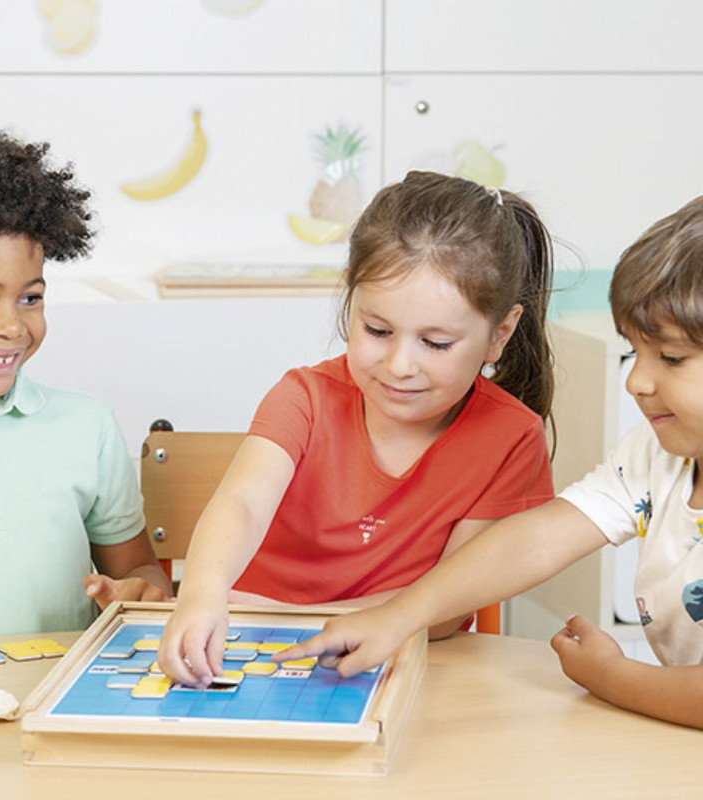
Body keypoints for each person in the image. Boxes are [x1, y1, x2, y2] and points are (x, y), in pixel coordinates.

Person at [279, 195, 703, 730]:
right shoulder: (654, 457)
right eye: (635, 352)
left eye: (670, 359)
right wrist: (399, 616)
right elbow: (537, 538)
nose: (636, 381)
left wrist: (612, 676)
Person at [158, 171, 557, 687]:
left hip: (396, 660)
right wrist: (202, 593)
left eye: (435, 343)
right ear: (351, 303)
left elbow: (446, 603)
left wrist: (304, 618)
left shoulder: (511, 439)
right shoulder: (302, 397)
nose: (398, 365)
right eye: (377, 330)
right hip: (244, 643)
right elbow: (243, 502)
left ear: (499, 335)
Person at [0, 107, 172, 639]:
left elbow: (137, 573)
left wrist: (140, 594)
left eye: (31, 298)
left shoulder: (85, 426)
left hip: (46, 704)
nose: (12, 326)